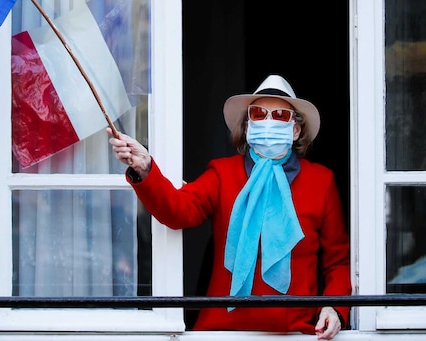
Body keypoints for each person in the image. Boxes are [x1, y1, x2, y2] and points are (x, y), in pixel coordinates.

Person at [109, 74, 351, 339]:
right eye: (259, 114)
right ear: (247, 128)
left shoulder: (321, 181)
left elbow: (337, 262)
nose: (268, 122)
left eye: (280, 115)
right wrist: (146, 169)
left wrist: (335, 308)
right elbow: (178, 211)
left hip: (296, 333)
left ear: (295, 130)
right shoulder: (222, 173)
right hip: (225, 331)